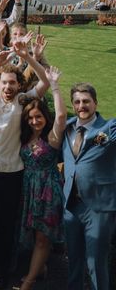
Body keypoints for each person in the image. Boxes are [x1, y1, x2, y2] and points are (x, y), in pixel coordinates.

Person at [0, 41, 50, 289]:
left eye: (12, 83)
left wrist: (29, 58)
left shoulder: (24, 100)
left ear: (19, 85)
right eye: (4, 82)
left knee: (6, 228)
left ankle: (2, 272)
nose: (8, 87)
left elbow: (45, 83)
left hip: (11, 175)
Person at [61, 81, 116, 290]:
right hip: (71, 206)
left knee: (95, 262)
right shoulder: (67, 126)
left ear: (95, 103)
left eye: (86, 101)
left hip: (98, 207)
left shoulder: (109, 127)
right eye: (77, 102)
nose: (81, 105)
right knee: (73, 260)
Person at [17, 70, 65, 290]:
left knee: (42, 238)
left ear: (46, 117)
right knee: (30, 236)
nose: (35, 121)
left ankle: (28, 281)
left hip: (47, 190)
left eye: (39, 116)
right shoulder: (25, 137)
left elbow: (62, 117)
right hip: (27, 190)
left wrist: (54, 86)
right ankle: (40, 267)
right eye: (31, 117)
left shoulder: (52, 138)